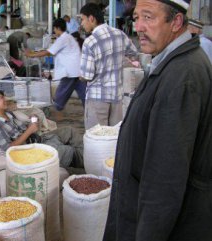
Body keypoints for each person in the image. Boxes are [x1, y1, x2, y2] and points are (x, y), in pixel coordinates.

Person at [103, 0, 212, 240]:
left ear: (176, 22)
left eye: (149, 17)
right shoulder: (171, 63)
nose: (139, 27)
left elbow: (165, 178)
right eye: (136, 18)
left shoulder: (182, 77)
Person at [0, 89, 84, 171]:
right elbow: (8, 148)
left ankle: (89, 153)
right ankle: (89, 162)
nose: (5, 99)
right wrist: (29, 131)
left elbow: (26, 128)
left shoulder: (9, 114)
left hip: (40, 138)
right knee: (68, 151)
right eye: (1, 98)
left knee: (69, 130)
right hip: (32, 149)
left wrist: (33, 120)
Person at [79, 3, 138, 129]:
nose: (81, 24)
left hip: (97, 98)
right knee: (113, 138)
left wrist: (79, 76)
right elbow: (133, 53)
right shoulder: (119, 34)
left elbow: (87, 76)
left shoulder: (90, 42)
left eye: (82, 19)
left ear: (91, 19)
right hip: (117, 97)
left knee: (96, 140)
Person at [25, 18, 86, 115]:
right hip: (76, 71)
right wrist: (33, 53)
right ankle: (89, 108)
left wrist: (31, 55)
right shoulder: (68, 37)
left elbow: (48, 52)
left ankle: (56, 109)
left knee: (60, 95)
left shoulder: (63, 39)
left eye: (54, 29)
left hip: (70, 72)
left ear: (57, 28)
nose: (54, 31)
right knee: (83, 93)